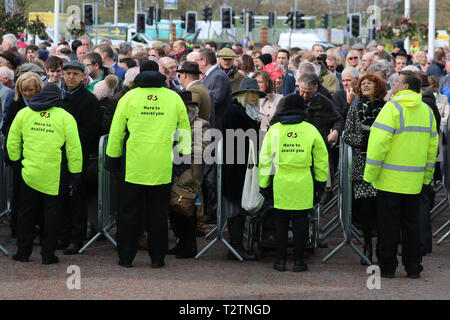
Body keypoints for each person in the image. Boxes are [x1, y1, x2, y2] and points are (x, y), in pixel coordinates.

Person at [105, 70, 191, 268]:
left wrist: (112, 158)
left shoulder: (129, 97)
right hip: (161, 164)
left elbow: (117, 130)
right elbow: (184, 129)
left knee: (128, 213)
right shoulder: (173, 98)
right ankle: (158, 258)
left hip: (134, 164)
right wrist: (183, 158)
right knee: (158, 214)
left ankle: (126, 258)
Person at [363, 70, 439, 279]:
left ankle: (387, 268)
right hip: (414, 180)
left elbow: (378, 144)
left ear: (406, 87)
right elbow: (433, 148)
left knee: (388, 227)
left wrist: (370, 175)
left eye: (397, 81)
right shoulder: (426, 110)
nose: (393, 84)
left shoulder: (392, 108)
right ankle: (413, 267)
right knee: (411, 226)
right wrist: (426, 176)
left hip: (389, 180)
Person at [6, 82, 83, 264]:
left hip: (29, 173)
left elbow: (12, 140)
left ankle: (23, 252)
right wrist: (75, 175)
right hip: (54, 175)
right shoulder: (65, 117)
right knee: (52, 215)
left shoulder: (24, 113)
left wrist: (17, 163)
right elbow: (74, 150)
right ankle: (48, 254)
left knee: (26, 214)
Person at [259, 94, 328, 272]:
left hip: (281, 180)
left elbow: (265, 160)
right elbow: (321, 160)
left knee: (280, 223)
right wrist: (320, 184)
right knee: (301, 223)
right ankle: (299, 261)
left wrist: (264, 184)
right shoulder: (310, 130)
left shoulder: (274, 130)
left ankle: (280, 260)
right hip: (303, 180)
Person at [343, 73, 387, 265]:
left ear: (378, 87)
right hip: (361, 165)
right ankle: (367, 246)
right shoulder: (355, 108)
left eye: (370, 83)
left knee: (382, 208)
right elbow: (347, 134)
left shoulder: (387, 108)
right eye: (363, 83)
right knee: (366, 209)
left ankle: (382, 247)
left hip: (383, 166)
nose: (366, 85)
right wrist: (361, 140)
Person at [59, 61, 102, 254]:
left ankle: (75, 238)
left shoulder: (89, 100)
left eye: (75, 74)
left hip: (79, 154)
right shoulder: (58, 96)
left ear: (83, 76)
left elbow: (92, 129)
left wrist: (70, 140)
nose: (70, 77)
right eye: (67, 73)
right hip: (57, 154)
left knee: (76, 196)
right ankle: (63, 234)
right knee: (60, 197)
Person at [222, 77, 264, 261]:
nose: (254, 96)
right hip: (235, 166)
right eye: (251, 93)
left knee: (239, 207)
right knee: (236, 208)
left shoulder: (247, 111)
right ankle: (236, 247)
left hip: (242, 165)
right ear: (243, 94)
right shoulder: (236, 111)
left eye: (256, 94)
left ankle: (236, 247)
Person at [2, 72, 43, 238]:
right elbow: (6, 126)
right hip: (19, 154)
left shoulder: (43, 104)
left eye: (30, 90)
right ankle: (17, 229)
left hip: (37, 154)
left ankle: (37, 226)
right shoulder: (14, 103)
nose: (27, 93)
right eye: (24, 90)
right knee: (18, 193)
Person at [168, 90, 209, 256]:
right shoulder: (172, 121)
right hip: (173, 171)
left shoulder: (201, 124)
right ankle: (180, 242)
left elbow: (203, 148)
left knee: (187, 209)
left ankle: (189, 246)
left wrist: (180, 151)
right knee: (174, 210)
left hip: (190, 174)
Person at [196, 48, 232, 223]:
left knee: (211, 175)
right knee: (207, 173)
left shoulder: (217, 76)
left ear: (204, 61)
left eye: (197, 61)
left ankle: (212, 211)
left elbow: (214, 101)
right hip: (210, 131)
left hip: (214, 132)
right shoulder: (213, 76)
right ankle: (209, 210)